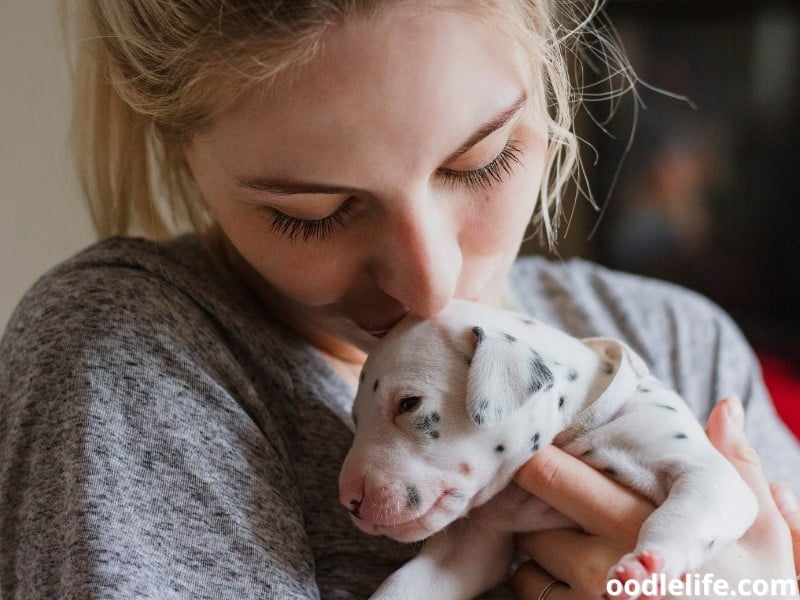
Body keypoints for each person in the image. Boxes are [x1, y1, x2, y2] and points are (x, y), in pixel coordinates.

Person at [0, 1, 797, 598]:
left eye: (482, 161)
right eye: (313, 212)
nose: (432, 286)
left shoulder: (685, 346)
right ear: (180, 150)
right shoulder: (134, 365)